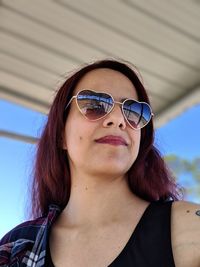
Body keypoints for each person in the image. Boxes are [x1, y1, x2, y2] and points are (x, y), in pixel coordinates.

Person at [0, 59, 200, 267]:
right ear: (61, 134)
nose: (118, 119)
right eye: (94, 105)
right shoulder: (15, 248)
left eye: (133, 111)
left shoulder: (190, 231)